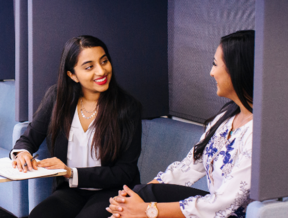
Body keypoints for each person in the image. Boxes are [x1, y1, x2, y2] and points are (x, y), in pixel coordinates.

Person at [107, 30, 255, 218]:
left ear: (237, 69)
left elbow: (222, 203)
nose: (211, 72)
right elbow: (188, 167)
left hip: (229, 215)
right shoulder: (226, 117)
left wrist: (147, 210)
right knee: (141, 194)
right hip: (210, 210)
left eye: (215, 64)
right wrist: (133, 198)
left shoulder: (258, 134)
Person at [11, 35, 143, 218]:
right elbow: (28, 139)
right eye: (89, 67)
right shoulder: (56, 98)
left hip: (112, 191)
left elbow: (125, 172)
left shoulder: (128, 108)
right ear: (72, 75)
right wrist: (23, 153)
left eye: (104, 61)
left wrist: (71, 172)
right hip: (71, 190)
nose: (101, 71)